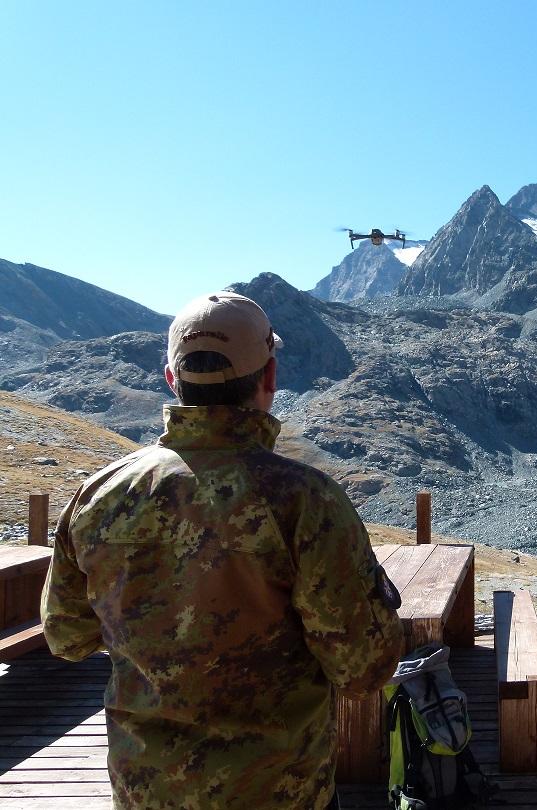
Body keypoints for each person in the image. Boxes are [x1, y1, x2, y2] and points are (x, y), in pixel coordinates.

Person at [41, 291, 405, 809]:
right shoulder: (306, 500)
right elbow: (362, 667)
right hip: (279, 789)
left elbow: (68, 635)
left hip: (146, 789)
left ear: (172, 378)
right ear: (270, 378)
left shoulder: (99, 493)